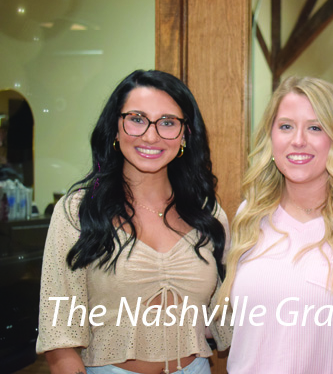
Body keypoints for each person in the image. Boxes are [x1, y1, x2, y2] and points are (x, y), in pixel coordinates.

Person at [36, 70, 232, 374]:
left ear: (185, 134)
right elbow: (59, 336)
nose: (151, 136)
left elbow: (228, 319)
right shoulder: (79, 212)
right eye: (137, 119)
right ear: (115, 128)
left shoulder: (209, 214)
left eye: (168, 122)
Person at [218, 76, 333, 373]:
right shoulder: (250, 215)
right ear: (271, 137)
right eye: (286, 126)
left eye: (315, 127)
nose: (298, 140)